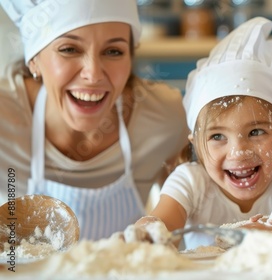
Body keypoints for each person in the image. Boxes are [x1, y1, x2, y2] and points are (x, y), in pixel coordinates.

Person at [129, 17, 272, 250]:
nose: (239, 152)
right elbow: (159, 225)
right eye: (217, 136)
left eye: (255, 131)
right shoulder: (191, 182)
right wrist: (143, 233)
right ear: (196, 147)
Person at [0, 0, 190, 240]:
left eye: (113, 51)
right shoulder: (4, 116)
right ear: (34, 60)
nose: (93, 74)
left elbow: (189, 219)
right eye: (69, 49)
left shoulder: (166, 117)